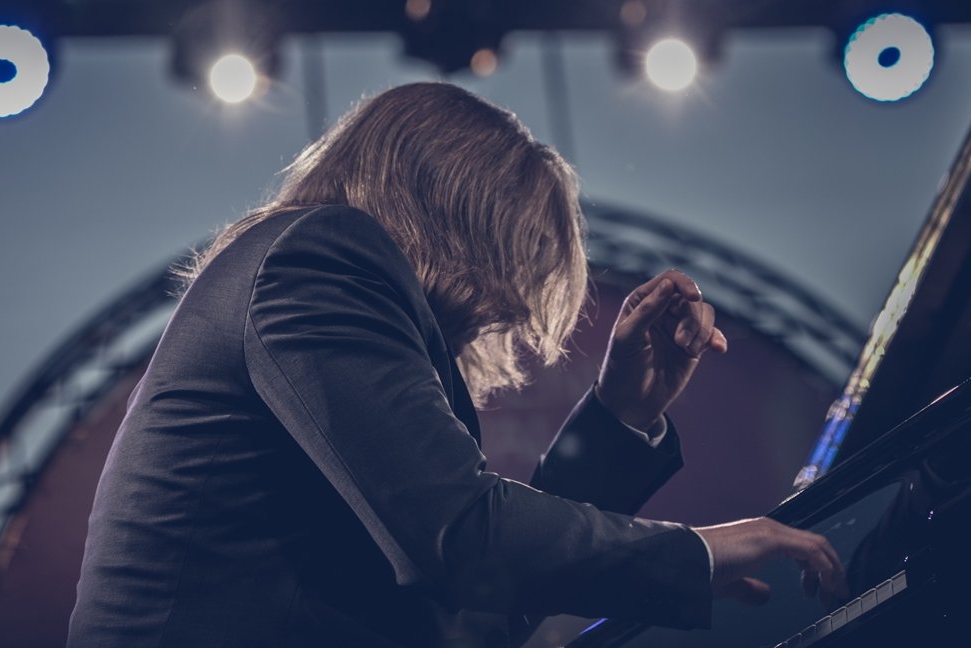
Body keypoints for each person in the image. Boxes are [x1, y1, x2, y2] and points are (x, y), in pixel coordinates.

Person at [67, 82, 844, 648]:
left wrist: (617, 418)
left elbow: (476, 605)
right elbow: (464, 535)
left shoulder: (314, 280)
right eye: (513, 260)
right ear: (458, 213)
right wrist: (698, 550)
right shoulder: (321, 257)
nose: (510, 306)